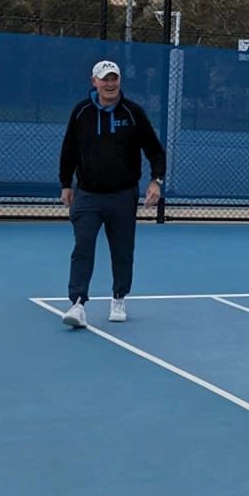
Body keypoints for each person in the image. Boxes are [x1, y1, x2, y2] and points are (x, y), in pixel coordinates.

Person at [58, 59, 165, 329]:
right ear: (94, 82)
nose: (110, 83)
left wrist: (156, 181)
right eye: (104, 78)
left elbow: (154, 149)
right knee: (82, 248)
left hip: (122, 195)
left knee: (122, 249)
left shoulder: (133, 113)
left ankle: (118, 298)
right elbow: (69, 149)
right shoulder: (81, 112)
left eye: (114, 78)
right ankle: (78, 304)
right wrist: (66, 184)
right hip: (88, 195)